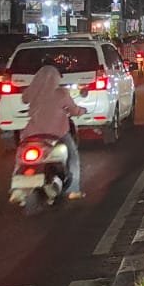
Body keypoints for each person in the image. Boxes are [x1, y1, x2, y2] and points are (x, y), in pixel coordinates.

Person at [21, 62, 87, 199]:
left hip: (32, 135)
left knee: (20, 158)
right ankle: (73, 190)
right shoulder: (62, 93)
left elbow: (25, 99)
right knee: (73, 156)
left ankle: (18, 187)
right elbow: (74, 110)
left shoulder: (32, 93)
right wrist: (82, 111)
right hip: (57, 134)